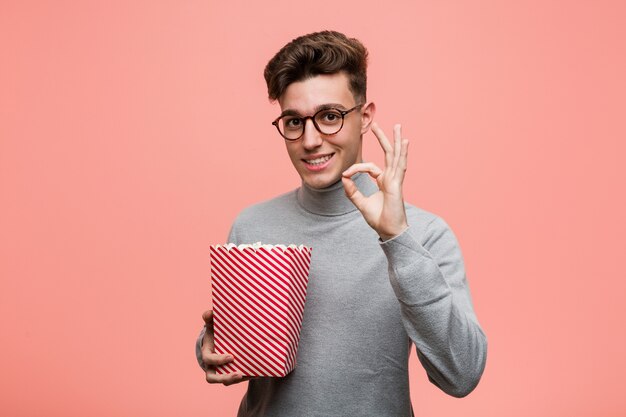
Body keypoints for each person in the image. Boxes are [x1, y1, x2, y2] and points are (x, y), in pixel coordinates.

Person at [196, 30, 487, 416]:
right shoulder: (252, 225)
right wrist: (212, 345)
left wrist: (396, 237)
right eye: (294, 121)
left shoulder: (425, 234)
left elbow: (462, 375)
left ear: (364, 117)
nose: (311, 139)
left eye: (330, 116)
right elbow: (235, 346)